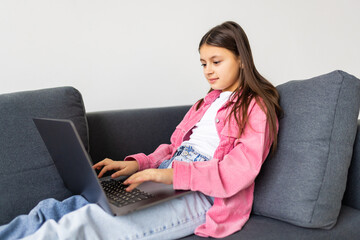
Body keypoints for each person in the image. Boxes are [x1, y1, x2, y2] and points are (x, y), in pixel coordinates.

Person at [0, 21, 282, 239]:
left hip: (202, 194)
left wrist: (171, 175)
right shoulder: (203, 103)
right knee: (58, 208)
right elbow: (173, 149)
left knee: (87, 224)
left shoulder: (256, 106)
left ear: (242, 59)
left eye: (216, 61)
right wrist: (138, 164)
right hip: (170, 175)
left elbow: (238, 172)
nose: (208, 70)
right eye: (203, 63)